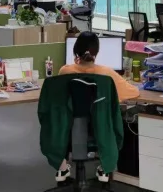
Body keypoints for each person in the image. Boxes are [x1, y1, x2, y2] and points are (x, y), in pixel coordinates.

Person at [55, 31, 139, 183]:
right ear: (96, 52)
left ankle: (63, 167)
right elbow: (133, 92)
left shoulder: (65, 71)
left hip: (67, 128)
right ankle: (104, 167)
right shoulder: (106, 73)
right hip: (99, 128)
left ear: (75, 50)